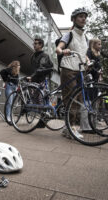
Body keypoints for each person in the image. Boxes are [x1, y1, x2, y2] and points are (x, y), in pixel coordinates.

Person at [56, 8, 89, 139]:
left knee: (80, 99)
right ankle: (70, 127)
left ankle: (69, 126)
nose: (83, 19)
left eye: (84, 17)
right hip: (68, 68)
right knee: (71, 98)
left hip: (81, 70)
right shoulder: (69, 34)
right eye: (80, 16)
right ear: (74, 19)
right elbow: (58, 48)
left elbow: (83, 53)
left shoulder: (85, 37)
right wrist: (63, 51)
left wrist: (87, 59)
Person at [27, 37, 53, 128]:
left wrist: (32, 77)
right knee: (36, 100)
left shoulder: (44, 56)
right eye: (33, 43)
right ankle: (43, 118)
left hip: (43, 79)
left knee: (42, 100)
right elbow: (34, 69)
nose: (34, 45)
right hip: (36, 80)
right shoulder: (33, 56)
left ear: (41, 45)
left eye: (36, 43)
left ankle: (43, 120)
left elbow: (41, 68)